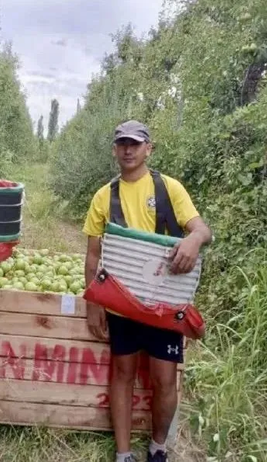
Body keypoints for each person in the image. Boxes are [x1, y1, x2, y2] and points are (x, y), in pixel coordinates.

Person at [82, 120, 213, 462]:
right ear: (115, 149)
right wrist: (93, 304)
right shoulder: (104, 196)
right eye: (122, 144)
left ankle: (157, 447)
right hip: (122, 303)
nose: (128, 150)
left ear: (148, 149)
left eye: (135, 144)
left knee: (164, 378)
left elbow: (202, 230)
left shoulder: (169, 188)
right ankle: (123, 453)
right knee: (122, 372)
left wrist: (194, 240)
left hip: (163, 304)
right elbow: (93, 255)